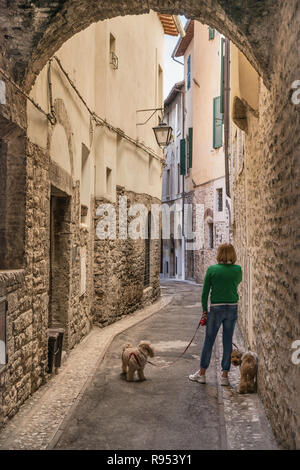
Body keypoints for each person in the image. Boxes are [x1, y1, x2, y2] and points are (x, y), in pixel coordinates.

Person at [189, 243, 242, 386]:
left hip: (216, 308)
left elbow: (205, 292)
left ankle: (202, 374)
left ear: (219, 254)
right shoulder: (237, 270)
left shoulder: (212, 270)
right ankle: (225, 376)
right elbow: (236, 283)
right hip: (232, 308)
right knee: (227, 341)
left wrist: (204, 311)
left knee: (209, 341)